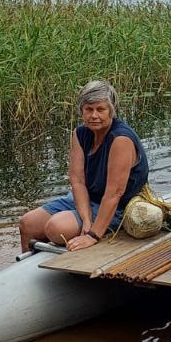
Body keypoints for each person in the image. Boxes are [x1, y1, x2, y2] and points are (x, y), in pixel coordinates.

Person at [18, 80, 150, 253]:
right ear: (82, 111)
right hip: (86, 198)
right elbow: (77, 181)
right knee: (27, 223)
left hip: (117, 206)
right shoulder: (80, 134)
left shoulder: (120, 139)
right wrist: (87, 220)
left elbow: (114, 193)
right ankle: (29, 272)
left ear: (112, 111)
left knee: (55, 228)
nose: (94, 115)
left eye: (100, 109)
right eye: (89, 109)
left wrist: (92, 235)